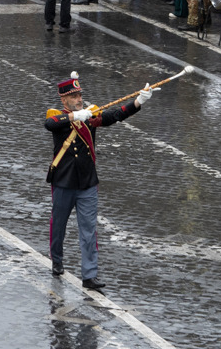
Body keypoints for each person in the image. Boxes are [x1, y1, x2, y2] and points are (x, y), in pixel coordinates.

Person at [45, 73, 153, 290]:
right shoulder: (58, 115)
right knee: (59, 226)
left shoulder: (90, 115)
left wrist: (138, 102)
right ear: (64, 100)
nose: (78, 99)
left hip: (87, 183)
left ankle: (89, 275)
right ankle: (57, 259)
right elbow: (49, 123)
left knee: (89, 230)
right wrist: (76, 116)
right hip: (64, 182)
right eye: (73, 96)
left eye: (79, 95)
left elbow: (114, 115)